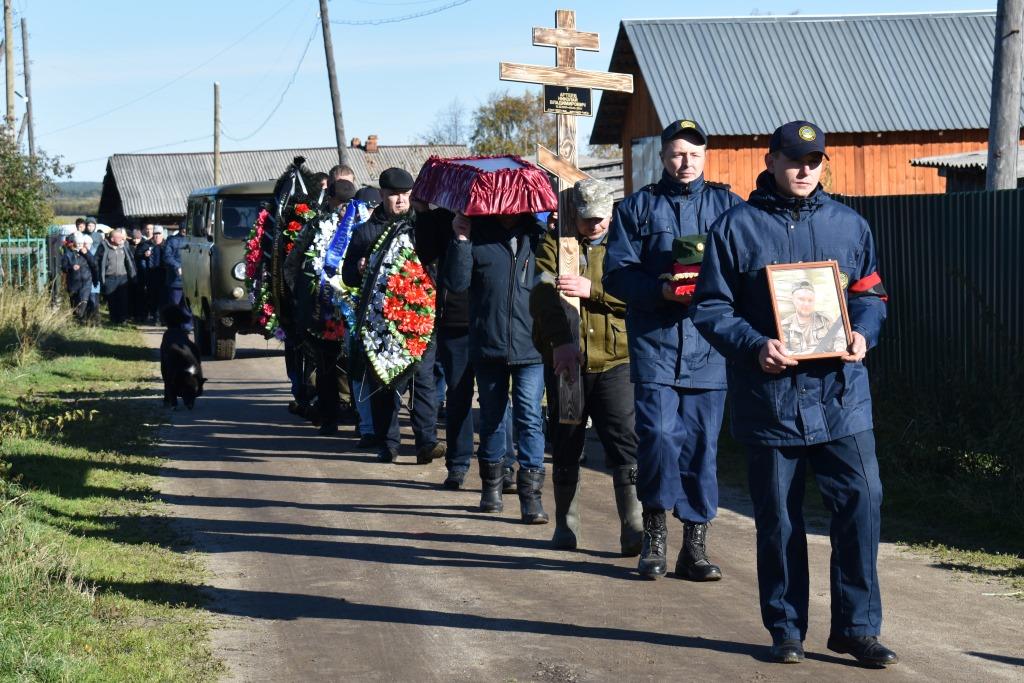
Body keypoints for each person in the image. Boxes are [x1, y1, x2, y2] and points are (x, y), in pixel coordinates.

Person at [692, 120, 896, 667]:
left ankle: (857, 628)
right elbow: (711, 306)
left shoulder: (849, 225)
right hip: (771, 397)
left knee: (863, 501)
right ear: (772, 160)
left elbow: (870, 293)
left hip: (840, 394)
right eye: (794, 159)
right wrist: (754, 344)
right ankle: (786, 627)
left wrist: (863, 333)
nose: (805, 169)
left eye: (815, 160)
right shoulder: (736, 227)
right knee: (779, 517)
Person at [603, 118, 742, 580]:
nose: (686, 163)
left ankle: (695, 547)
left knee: (702, 446)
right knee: (660, 438)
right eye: (678, 154)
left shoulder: (728, 207)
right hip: (656, 345)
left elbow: (749, 267)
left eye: (695, 155)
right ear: (662, 157)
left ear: (706, 157)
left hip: (709, 347)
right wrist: (657, 290)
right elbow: (617, 274)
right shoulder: (637, 208)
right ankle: (656, 536)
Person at [530, 178, 644, 553]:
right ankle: (566, 525)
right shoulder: (555, 245)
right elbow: (542, 296)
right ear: (572, 215)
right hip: (569, 361)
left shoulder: (626, 246)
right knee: (566, 439)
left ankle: (633, 526)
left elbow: (637, 298)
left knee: (624, 439)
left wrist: (592, 290)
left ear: (611, 213)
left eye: (600, 218)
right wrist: (561, 343)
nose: (594, 225)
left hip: (616, 359)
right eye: (585, 218)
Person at [443, 204, 549, 524]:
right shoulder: (478, 236)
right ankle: (491, 488)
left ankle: (531, 497)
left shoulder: (539, 237)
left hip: (531, 346)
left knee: (530, 417)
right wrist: (460, 239)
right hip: (488, 346)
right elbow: (457, 283)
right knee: (492, 418)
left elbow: (559, 274)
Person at [342, 167, 446, 465]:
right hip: (381, 325)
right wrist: (359, 269)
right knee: (386, 383)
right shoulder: (366, 232)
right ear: (382, 196)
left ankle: (426, 442)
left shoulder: (421, 226)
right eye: (393, 195)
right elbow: (347, 275)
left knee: (424, 380)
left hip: (421, 319)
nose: (401, 201)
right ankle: (388, 443)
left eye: (405, 195)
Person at [780, 280, 847, 355]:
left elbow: (840, 338)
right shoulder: (784, 326)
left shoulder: (825, 320)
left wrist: (839, 350)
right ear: (793, 299)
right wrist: (809, 354)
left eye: (810, 300)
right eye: (801, 299)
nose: (806, 304)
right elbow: (784, 352)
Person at [95, 227, 138, 324]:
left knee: (123, 299)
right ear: (112, 239)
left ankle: (122, 319)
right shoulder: (103, 247)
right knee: (112, 299)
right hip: (109, 277)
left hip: (123, 277)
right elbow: (96, 261)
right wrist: (99, 276)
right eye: (119, 238)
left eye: (122, 238)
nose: (121, 240)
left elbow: (129, 261)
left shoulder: (124, 247)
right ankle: (114, 319)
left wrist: (133, 275)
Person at [161, 224, 193, 330]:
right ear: (180, 229)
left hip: (190, 280)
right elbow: (167, 256)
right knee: (174, 305)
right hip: (175, 280)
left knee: (188, 305)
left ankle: (187, 326)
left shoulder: (193, 240)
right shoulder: (172, 241)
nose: (185, 231)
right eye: (184, 229)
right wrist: (177, 266)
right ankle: (174, 327)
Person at [62, 232, 98, 321]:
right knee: (74, 302)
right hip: (73, 282)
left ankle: (81, 316)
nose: (79, 245)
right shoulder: (68, 254)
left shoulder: (86, 252)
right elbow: (63, 267)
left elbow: (94, 264)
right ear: (74, 243)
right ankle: (77, 319)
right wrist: (71, 267)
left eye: (81, 244)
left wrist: (87, 254)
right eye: (77, 243)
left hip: (86, 280)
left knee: (84, 300)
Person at [145, 227, 166, 322]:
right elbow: (139, 252)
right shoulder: (148, 244)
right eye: (155, 234)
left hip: (163, 275)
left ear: (162, 235)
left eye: (159, 234)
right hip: (151, 275)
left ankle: (161, 317)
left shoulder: (166, 245)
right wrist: (145, 254)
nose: (157, 236)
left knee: (162, 297)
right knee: (152, 296)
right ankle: (154, 316)